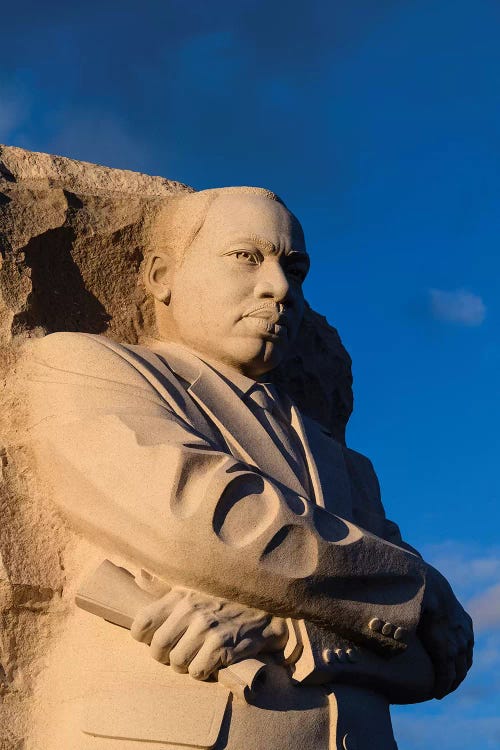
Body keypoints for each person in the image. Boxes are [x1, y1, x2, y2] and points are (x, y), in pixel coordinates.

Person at [27, 187, 473, 750]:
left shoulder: (342, 462)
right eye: (246, 256)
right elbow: (207, 523)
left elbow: (435, 659)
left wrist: (289, 630)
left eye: (295, 268)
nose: (280, 288)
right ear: (162, 276)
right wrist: (420, 585)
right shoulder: (86, 368)